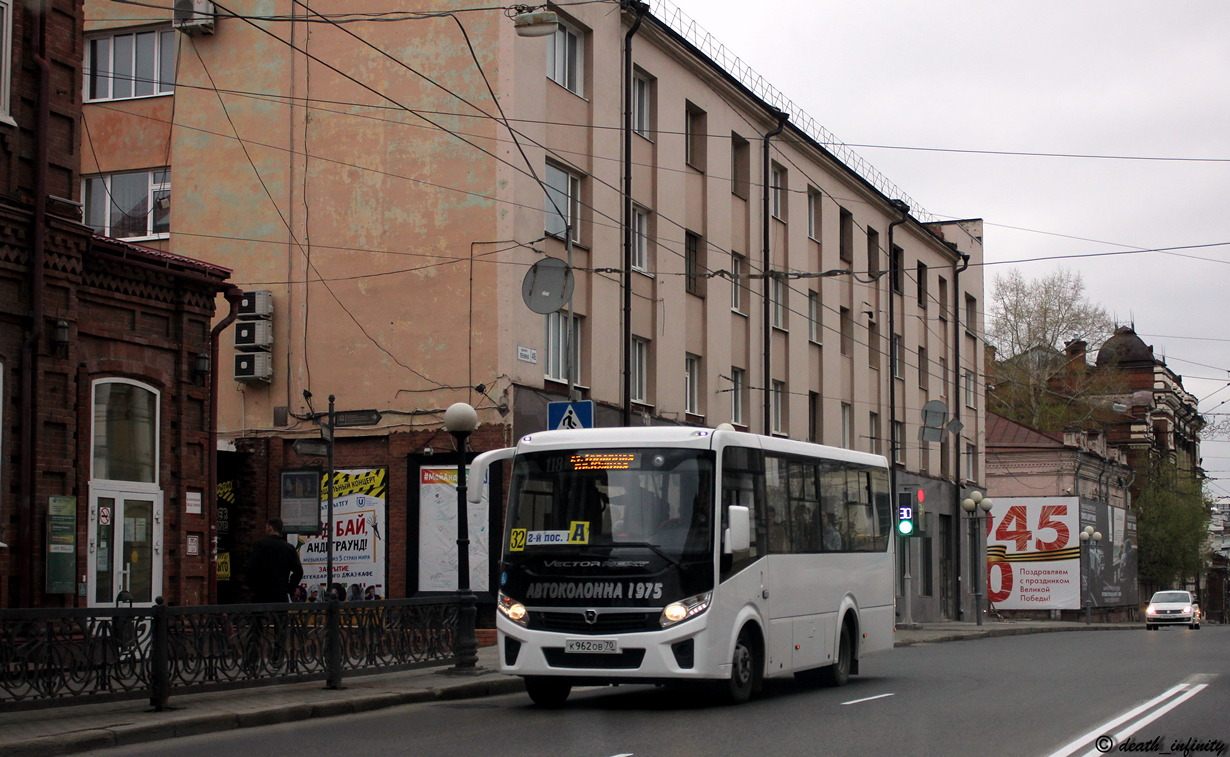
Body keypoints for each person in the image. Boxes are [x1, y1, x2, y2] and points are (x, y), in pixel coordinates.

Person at [246, 517, 304, 602]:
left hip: (261, 594)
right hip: (280, 594)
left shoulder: (259, 545)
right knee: (280, 615)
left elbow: (251, 569)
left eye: (266, 526)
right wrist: (289, 588)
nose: (265, 529)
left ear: (270, 527)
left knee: (260, 615)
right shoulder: (289, 548)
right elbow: (298, 571)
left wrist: (254, 587)